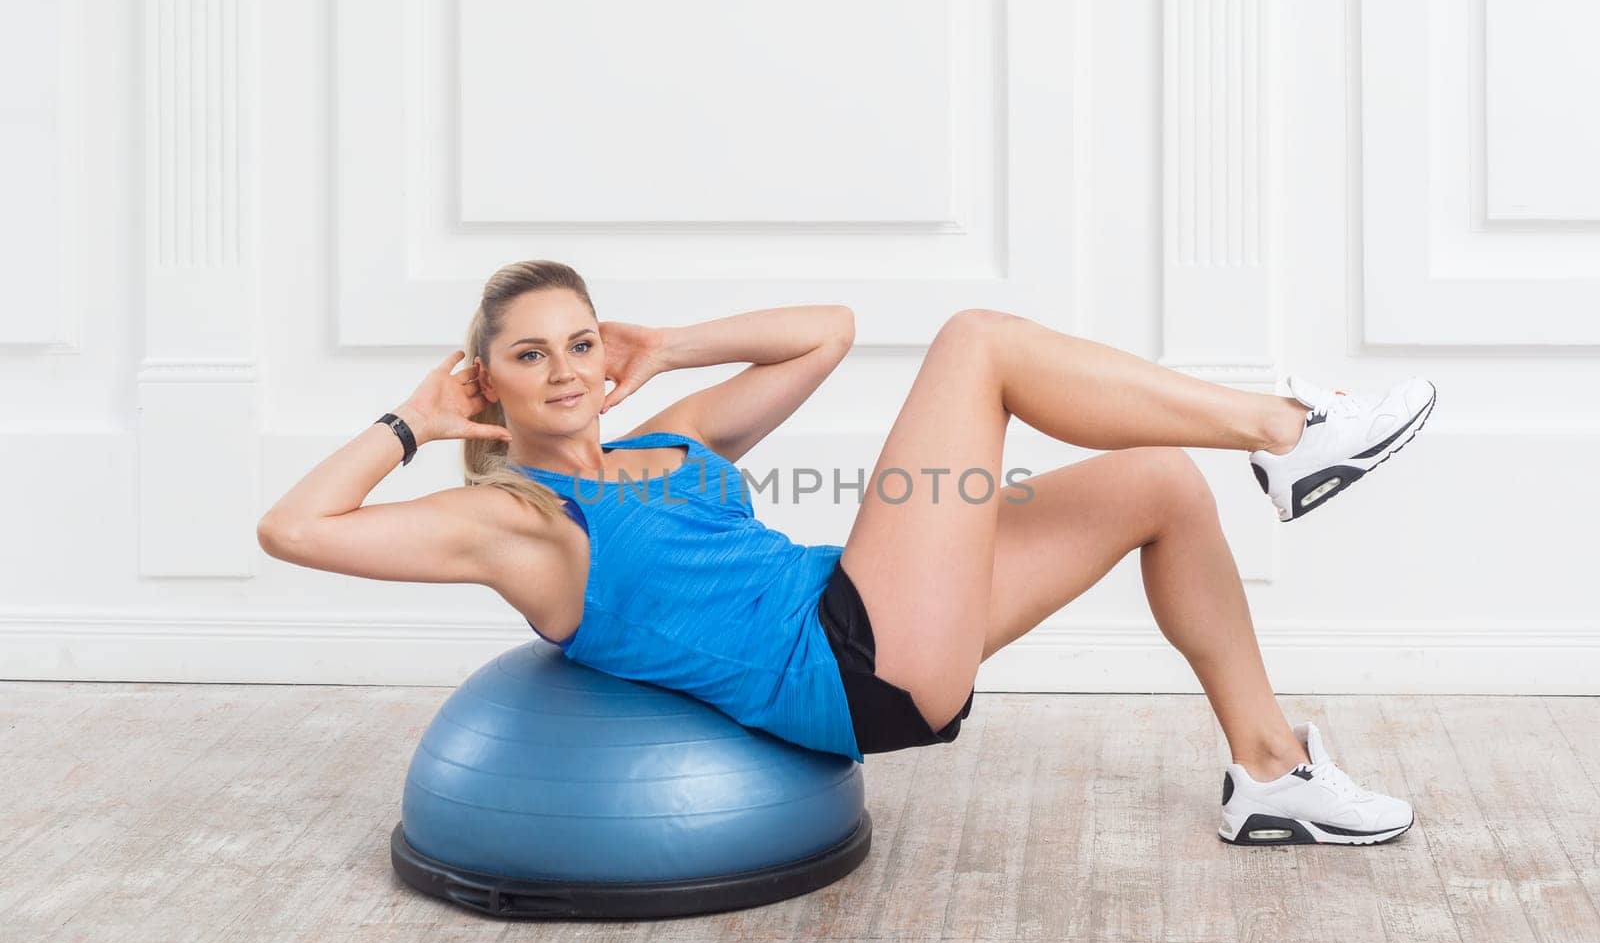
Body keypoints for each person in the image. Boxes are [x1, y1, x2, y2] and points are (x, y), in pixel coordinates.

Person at [258, 259, 1436, 847]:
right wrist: (411, 422)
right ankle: (1287, 430)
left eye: (579, 341)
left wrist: (664, 346)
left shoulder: (666, 439)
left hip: (860, 600)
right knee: (978, 343)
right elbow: (295, 529)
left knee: (1159, 486)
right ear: (486, 379)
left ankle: (1272, 774)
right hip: (848, 661)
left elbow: (825, 336)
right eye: (529, 355)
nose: (567, 369)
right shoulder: (523, 522)